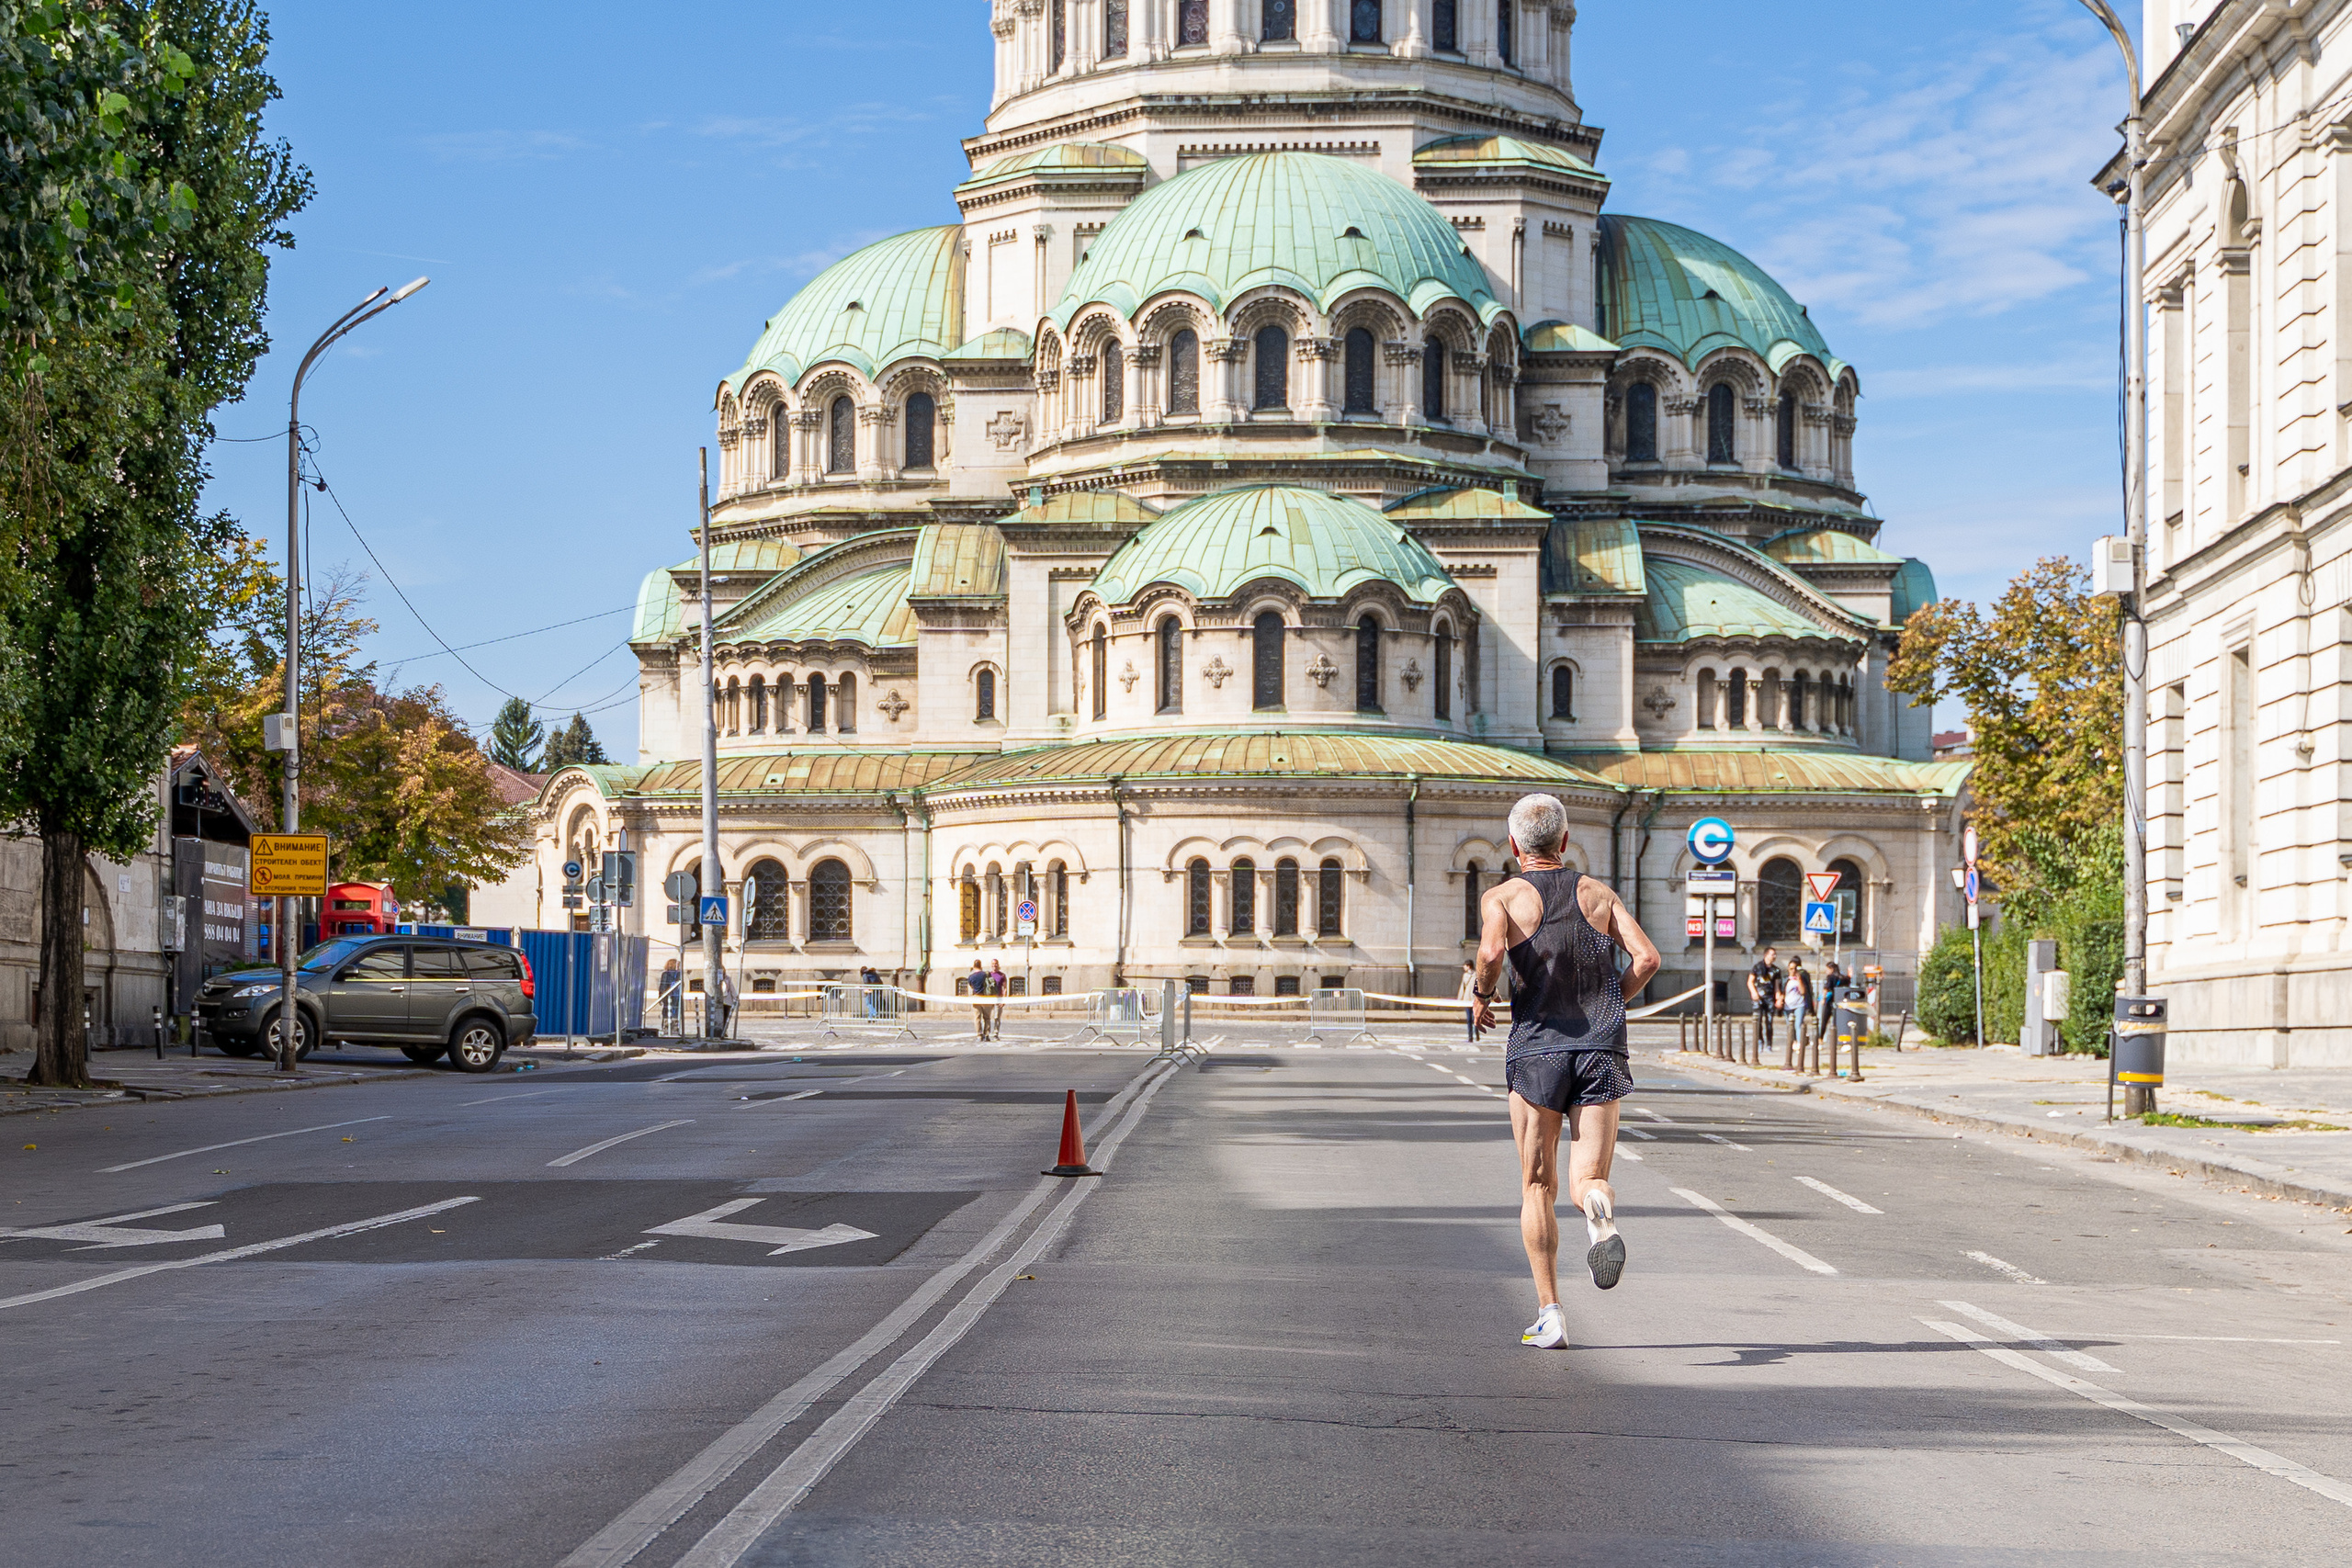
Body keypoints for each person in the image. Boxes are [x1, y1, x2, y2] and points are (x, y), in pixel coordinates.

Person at [1472, 793, 1661, 1350]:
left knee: (1537, 1184)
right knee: (1588, 1179)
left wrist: (1481, 995)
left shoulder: (1503, 897)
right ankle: (1599, 1210)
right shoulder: (1599, 894)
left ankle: (1551, 1316)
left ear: (1514, 845)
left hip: (1537, 1051)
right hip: (1601, 1049)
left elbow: (1490, 954)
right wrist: (1612, 1002)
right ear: (1565, 839)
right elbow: (1647, 958)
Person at [1747, 946, 1781, 1057]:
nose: (1774, 956)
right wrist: (1754, 992)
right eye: (1772, 954)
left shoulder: (1776, 970)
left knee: (1769, 1022)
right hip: (1759, 998)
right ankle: (1759, 1042)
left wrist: (1778, 998)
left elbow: (1777, 986)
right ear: (1766, 955)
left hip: (1769, 998)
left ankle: (1769, 1044)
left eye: (1775, 954)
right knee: (1758, 1021)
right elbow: (1750, 981)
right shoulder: (1757, 967)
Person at [1783, 956, 1814, 1066]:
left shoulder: (1800, 978)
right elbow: (1781, 991)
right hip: (1788, 1006)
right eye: (1791, 968)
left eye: (1795, 968)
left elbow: (1803, 991)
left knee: (1798, 1024)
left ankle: (1800, 1045)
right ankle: (1793, 1043)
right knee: (1790, 1026)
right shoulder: (1785, 979)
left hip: (1799, 1005)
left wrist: (1799, 979)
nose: (1793, 971)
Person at [1457, 961, 1480, 1043]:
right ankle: (1470, 1037)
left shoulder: (1476, 975)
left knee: (1475, 1018)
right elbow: (1462, 987)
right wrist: (1460, 999)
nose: (1464, 967)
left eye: (1465, 965)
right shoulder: (1465, 975)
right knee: (1469, 1019)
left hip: (1474, 999)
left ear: (1468, 966)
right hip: (1467, 999)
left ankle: (1476, 1034)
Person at [659, 960, 683, 1037]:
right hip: (674, 995)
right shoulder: (676, 974)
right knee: (673, 1012)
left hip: (670, 995)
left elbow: (662, 986)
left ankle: (668, 1028)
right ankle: (673, 1028)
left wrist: (660, 996)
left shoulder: (669, 974)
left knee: (668, 1011)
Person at [967, 959, 989, 1040]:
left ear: (974, 966)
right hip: (986, 997)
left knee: (977, 1017)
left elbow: (971, 986)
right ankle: (986, 1034)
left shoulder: (971, 976)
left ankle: (979, 1035)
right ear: (981, 966)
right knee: (987, 1017)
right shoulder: (985, 974)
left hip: (976, 997)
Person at [986, 958, 1009, 1040]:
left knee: (997, 1017)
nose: (994, 965)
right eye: (993, 964)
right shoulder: (988, 975)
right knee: (987, 1017)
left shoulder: (1002, 975)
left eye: (995, 964)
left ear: (998, 965)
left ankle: (995, 1033)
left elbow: (1005, 988)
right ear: (991, 965)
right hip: (989, 999)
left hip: (998, 998)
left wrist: (1004, 1000)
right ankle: (987, 1034)